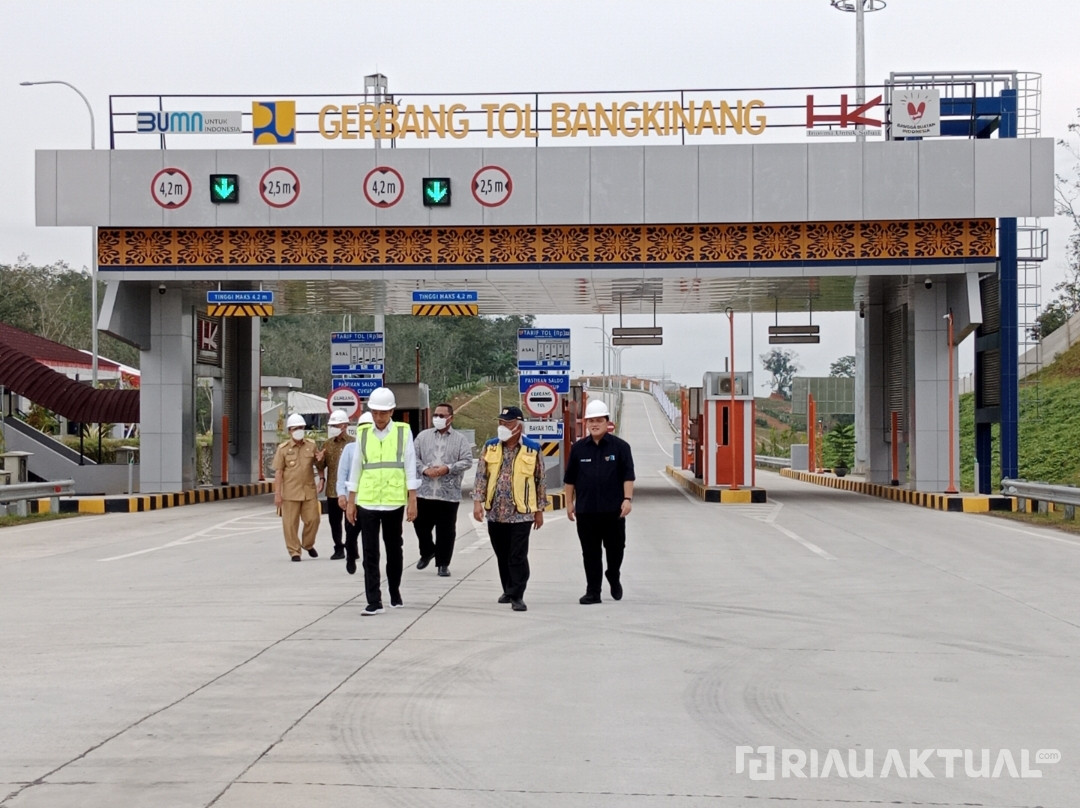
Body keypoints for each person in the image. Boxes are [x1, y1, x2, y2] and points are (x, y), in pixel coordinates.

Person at [345, 387, 419, 616]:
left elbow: (409, 464)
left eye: (383, 413)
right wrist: (351, 500)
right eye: (375, 412)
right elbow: (356, 466)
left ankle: (394, 590)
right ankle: (374, 601)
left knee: (394, 549)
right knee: (370, 553)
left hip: (393, 500)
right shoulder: (364, 433)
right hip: (367, 500)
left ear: (392, 412)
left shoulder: (403, 432)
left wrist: (412, 499)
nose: (378, 417)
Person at [472, 406, 547, 612]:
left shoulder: (533, 448)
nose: (503, 426)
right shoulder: (490, 447)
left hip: (521, 513)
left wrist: (539, 510)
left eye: (508, 423)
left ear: (519, 426)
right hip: (495, 512)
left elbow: (540, 480)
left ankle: (517, 594)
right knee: (502, 554)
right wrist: (477, 502)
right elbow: (481, 477)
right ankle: (508, 588)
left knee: (517, 555)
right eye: (501, 423)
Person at [563, 398, 636, 603]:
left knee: (616, 549)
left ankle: (613, 574)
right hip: (586, 511)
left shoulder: (621, 447)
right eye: (590, 421)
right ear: (585, 423)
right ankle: (593, 591)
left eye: (598, 420)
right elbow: (569, 480)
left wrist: (627, 499)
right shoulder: (578, 449)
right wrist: (569, 503)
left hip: (613, 510)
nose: (594, 424)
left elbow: (628, 476)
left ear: (607, 422)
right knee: (590, 553)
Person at [413, 402, 474, 577]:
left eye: (442, 415)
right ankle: (427, 551)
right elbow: (413, 457)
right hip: (424, 492)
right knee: (420, 525)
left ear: (450, 418)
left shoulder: (460, 439)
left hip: (448, 494)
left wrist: (447, 468)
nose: (437, 418)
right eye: (436, 415)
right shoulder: (422, 437)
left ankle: (443, 563)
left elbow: (467, 461)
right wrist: (425, 469)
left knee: (446, 531)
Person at [272, 412, 324, 561]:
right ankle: (294, 551)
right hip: (290, 492)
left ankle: (307, 544)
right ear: (290, 431)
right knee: (290, 524)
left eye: (301, 427)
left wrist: (321, 477)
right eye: (295, 428)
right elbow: (279, 472)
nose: (299, 430)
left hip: (308, 490)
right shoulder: (283, 449)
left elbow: (318, 463)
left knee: (313, 519)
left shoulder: (311, 445)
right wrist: (278, 493)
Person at [337, 411, 373, 576]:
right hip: (353, 500)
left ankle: (368, 564)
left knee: (369, 537)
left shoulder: (377, 449)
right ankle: (350, 556)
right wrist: (341, 495)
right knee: (351, 535)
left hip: (370, 501)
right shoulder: (350, 449)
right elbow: (342, 474)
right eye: (362, 426)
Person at [316, 408, 354, 560]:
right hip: (333, 489)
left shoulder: (353, 443)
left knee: (351, 521)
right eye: (331, 426)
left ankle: (352, 547)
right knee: (334, 522)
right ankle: (338, 547)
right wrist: (318, 460)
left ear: (344, 426)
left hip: (350, 489)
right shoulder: (327, 444)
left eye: (336, 426)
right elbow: (321, 466)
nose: (333, 429)